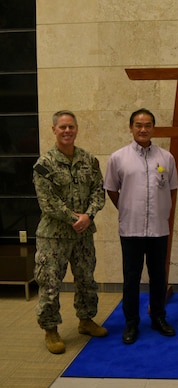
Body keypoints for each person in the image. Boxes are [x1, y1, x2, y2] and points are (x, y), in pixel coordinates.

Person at [33, 110, 107, 354]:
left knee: (86, 279)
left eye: (71, 127)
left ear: (76, 129)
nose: (67, 131)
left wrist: (89, 216)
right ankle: (50, 329)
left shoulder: (89, 160)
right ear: (53, 130)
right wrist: (74, 218)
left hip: (83, 233)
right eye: (62, 127)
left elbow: (99, 190)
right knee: (50, 283)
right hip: (53, 236)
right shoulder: (44, 165)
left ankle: (86, 320)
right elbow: (48, 202)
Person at [104, 108, 178, 344]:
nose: (143, 129)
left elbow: (172, 189)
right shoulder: (118, 157)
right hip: (131, 228)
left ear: (153, 128)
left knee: (158, 276)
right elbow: (112, 190)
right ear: (131, 128)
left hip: (158, 228)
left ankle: (158, 317)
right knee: (131, 277)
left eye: (147, 125)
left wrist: (161, 211)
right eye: (138, 125)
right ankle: (131, 323)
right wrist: (128, 209)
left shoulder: (166, 158)